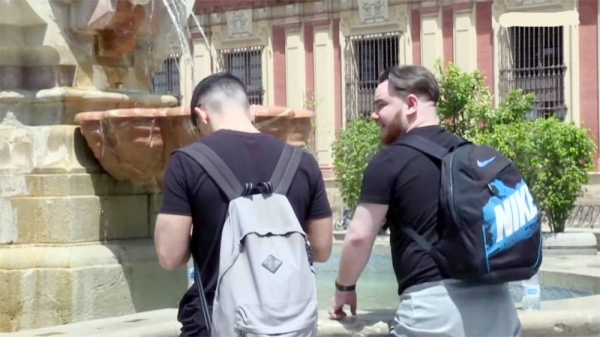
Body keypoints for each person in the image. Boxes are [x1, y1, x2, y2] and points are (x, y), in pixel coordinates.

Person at [328, 65, 522, 337]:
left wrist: (344, 289)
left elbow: (359, 237)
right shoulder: (470, 153)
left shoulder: (389, 160)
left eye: (381, 105)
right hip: (499, 308)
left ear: (410, 104)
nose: (374, 115)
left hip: (436, 313)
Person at [154, 72, 333, 336]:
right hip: (290, 324)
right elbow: (321, 250)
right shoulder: (302, 162)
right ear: (249, 111)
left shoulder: (186, 162)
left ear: (202, 114)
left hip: (217, 324)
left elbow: (170, 256)